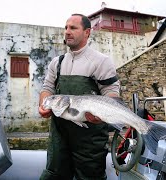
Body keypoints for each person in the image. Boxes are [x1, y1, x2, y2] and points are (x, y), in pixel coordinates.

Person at [38, 13, 120, 180]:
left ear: (87, 32)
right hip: (59, 138)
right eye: (66, 28)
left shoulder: (101, 61)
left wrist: (101, 116)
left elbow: (111, 92)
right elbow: (47, 89)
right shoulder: (57, 63)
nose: (67, 31)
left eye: (73, 28)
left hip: (90, 141)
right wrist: (43, 105)